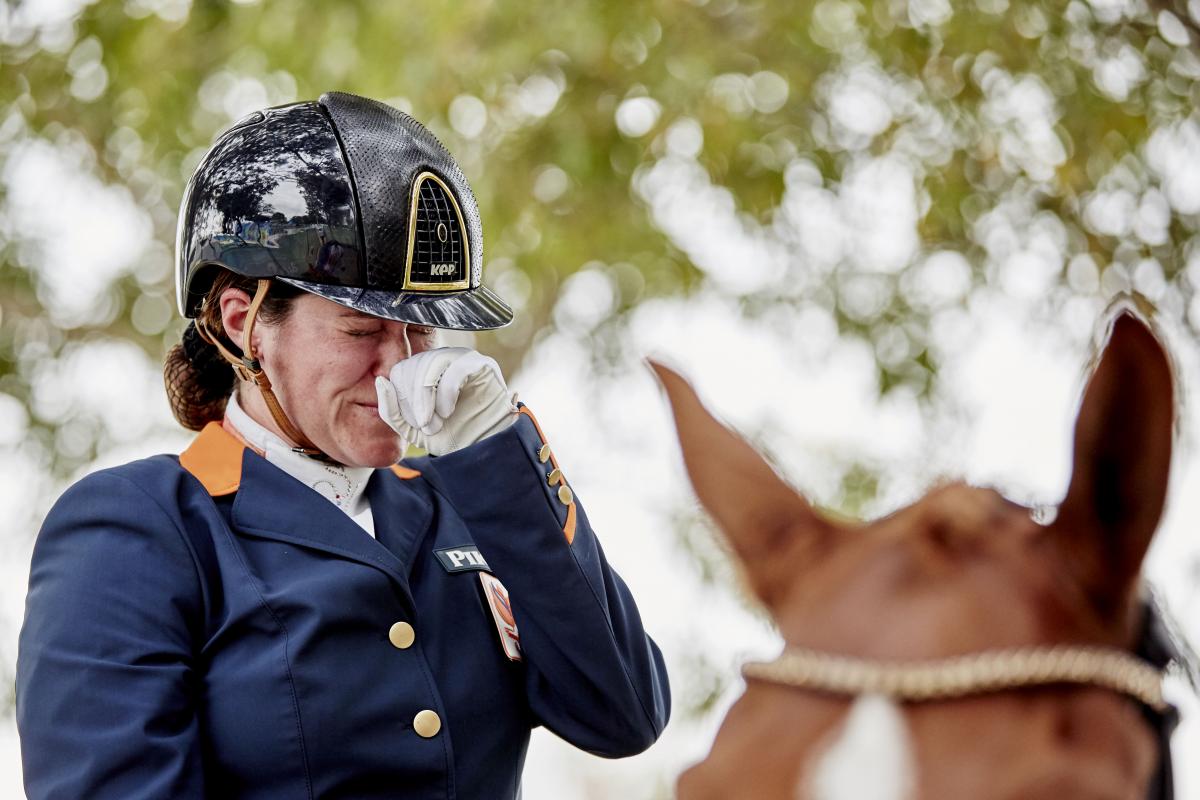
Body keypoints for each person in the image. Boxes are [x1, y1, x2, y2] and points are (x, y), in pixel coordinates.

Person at [16, 91, 671, 799]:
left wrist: (500, 454)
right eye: (362, 331)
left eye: (422, 330)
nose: (401, 367)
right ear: (246, 324)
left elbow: (624, 714)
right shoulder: (137, 527)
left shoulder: (467, 502)